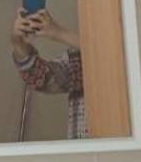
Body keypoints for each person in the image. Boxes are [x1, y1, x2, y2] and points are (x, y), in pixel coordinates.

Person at [11, 8, 87, 139]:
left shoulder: (124, 55)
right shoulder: (79, 57)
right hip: (81, 150)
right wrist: (18, 44)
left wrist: (59, 33)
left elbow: (112, 54)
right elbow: (44, 79)